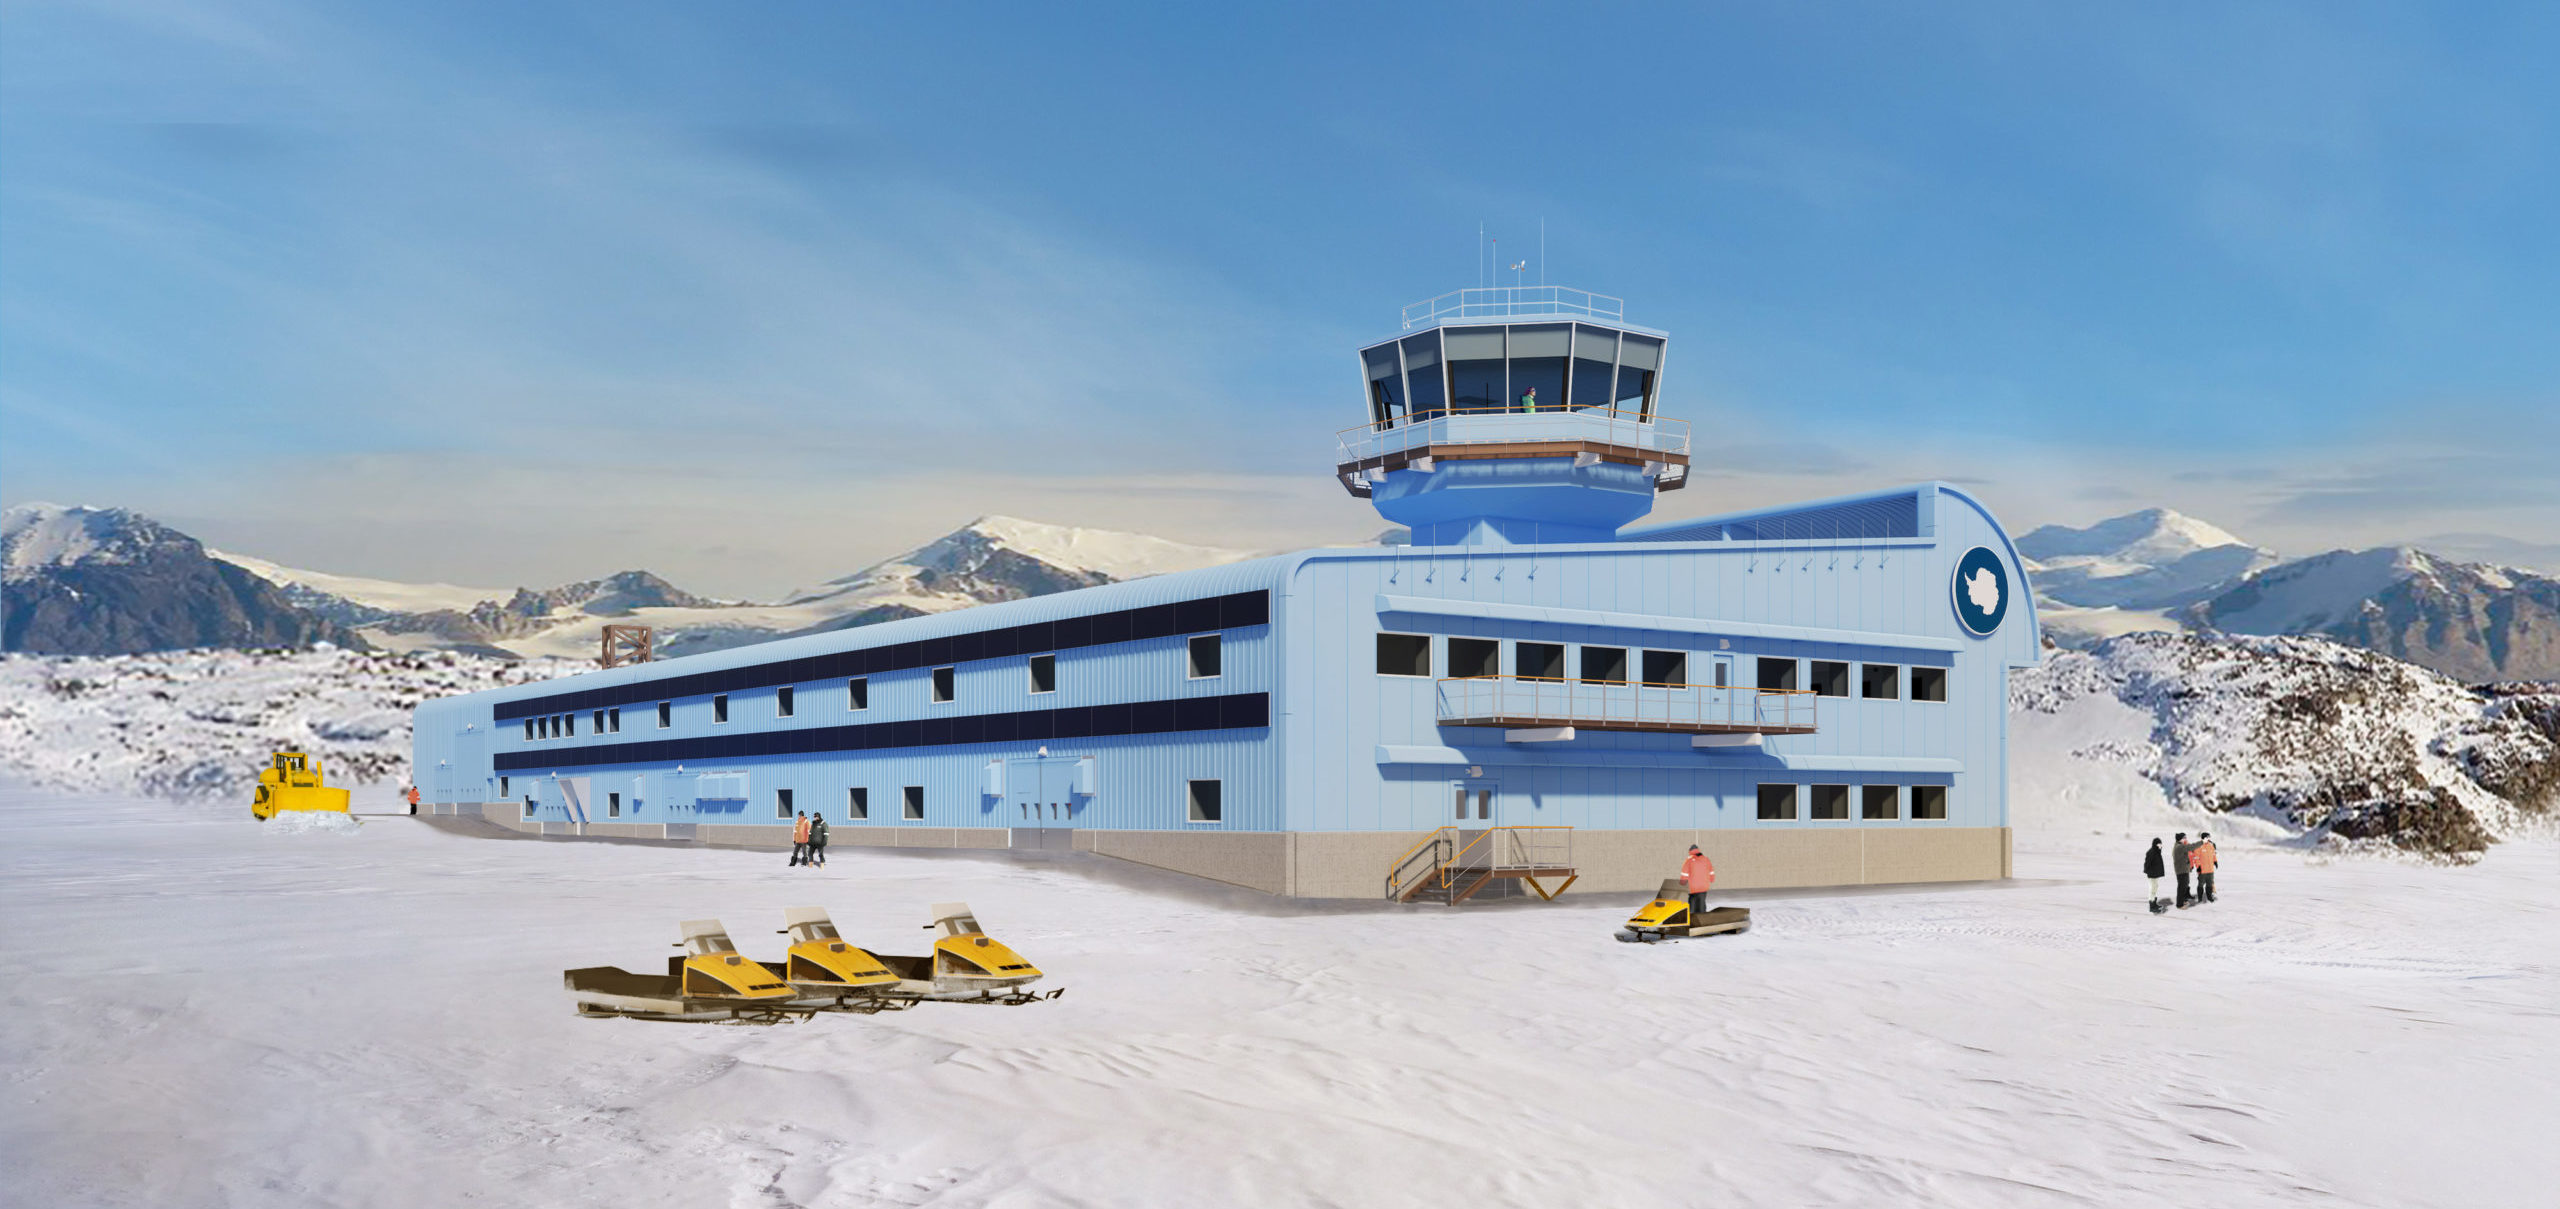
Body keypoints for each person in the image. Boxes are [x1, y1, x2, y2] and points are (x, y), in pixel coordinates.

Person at [1678, 844, 1715, 918]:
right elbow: (1711, 872)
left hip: (1693, 888)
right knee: (1701, 905)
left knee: (1692, 907)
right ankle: (1703, 920)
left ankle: (1692, 921)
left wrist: (1682, 884)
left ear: (1690, 851)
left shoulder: (1689, 860)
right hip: (1704, 887)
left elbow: (1684, 875)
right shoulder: (1706, 859)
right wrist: (1711, 879)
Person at [2171, 832, 2195, 908]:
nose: (2185, 839)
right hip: (2181, 870)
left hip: (2185, 868)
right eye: (2184, 838)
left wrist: (2190, 864)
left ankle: (2183, 900)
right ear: (2180, 839)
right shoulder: (2179, 847)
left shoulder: (2181, 845)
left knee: (2185, 885)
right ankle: (2179, 904)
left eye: (2186, 838)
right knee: (2182, 887)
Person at [2193, 832, 2218, 904]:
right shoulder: (2199, 846)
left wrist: (2215, 861)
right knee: (2201, 884)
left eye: (2209, 837)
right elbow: (2196, 858)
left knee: (2209, 884)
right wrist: (2198, 867)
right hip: (2202, 870)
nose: (2209, 838)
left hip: (2210, 869)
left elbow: (2213, 855)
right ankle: (2200, 898)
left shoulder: (2211, 845)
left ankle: (2209, 896)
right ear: (2203, 838)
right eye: (2207, 837)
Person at [2142, 837, 2166, 908]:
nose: (2160, 845)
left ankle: (2154, 903)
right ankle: (2152, 905)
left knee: (2155, 887)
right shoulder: (2151, 852)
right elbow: (2147, 864)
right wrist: (2149, 872)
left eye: (2160, 844)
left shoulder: (2157, 852)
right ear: (2155, 844)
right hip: (2152, 874)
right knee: (2152, 888)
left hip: (2155, 874)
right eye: (2159, 844)